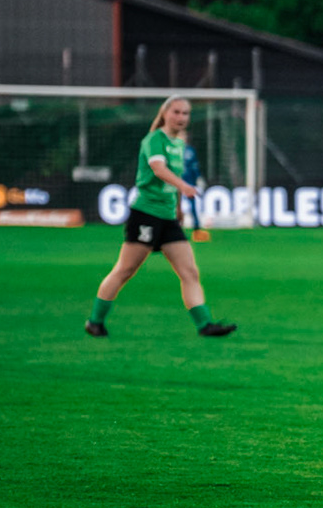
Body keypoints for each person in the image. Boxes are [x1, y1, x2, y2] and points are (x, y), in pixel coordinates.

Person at [86, 97, 236, 338]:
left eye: (185, 114)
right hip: (145, 214)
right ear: (165, 113)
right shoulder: (154, 139)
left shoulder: (178, 143)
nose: (181, 117)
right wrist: (185, 187)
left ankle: (205, 325)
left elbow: (171, 176)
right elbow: (159, 169)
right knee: (125, 270)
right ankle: (94, 321)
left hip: (167, 218)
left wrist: (178, 207)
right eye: (176, 112)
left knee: (189, 272)